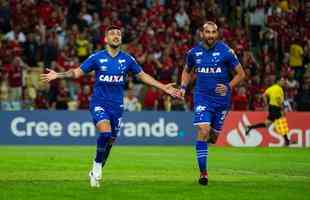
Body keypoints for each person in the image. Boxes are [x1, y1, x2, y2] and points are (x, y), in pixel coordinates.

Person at [40, 25, 181, 187]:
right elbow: (77, 72)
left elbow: (142, 76)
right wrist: (58, 75)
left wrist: (163, 87)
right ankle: (97, 165)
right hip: (99, 103)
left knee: (111, 141)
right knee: (105, 133)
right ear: (105, 39)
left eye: (118, 34)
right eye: (112, 34)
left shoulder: (127, 59)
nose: (116, 36)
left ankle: (95, 171)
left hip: (117, 106)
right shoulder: (96, 58)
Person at [180, 21, 245, 186]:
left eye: (213, 32)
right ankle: (203, 174)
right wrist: (183, 87)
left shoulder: (226, 51)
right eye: (207, 32)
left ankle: (206, 143)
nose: (210, 35)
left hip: (221, 101)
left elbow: (241, 73)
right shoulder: (193, 53)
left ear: (217, 33)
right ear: (201, 33)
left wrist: (228, 86)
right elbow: (187, 70)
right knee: (203, 129)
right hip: (202, 98)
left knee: (214, 137)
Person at [245, 77, 290, 146]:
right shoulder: (279, 89)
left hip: (271, 107)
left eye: (284, 81)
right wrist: (282, 109)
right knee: (281, 123)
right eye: (282, 81)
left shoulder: (271, 88)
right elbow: (278, 99)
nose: (283, 82)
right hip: (276, 108)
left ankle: (250, 127)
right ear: (278, 81)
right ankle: (287, 141)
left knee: (267, 124)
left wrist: (267, 104)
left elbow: (263, 95)